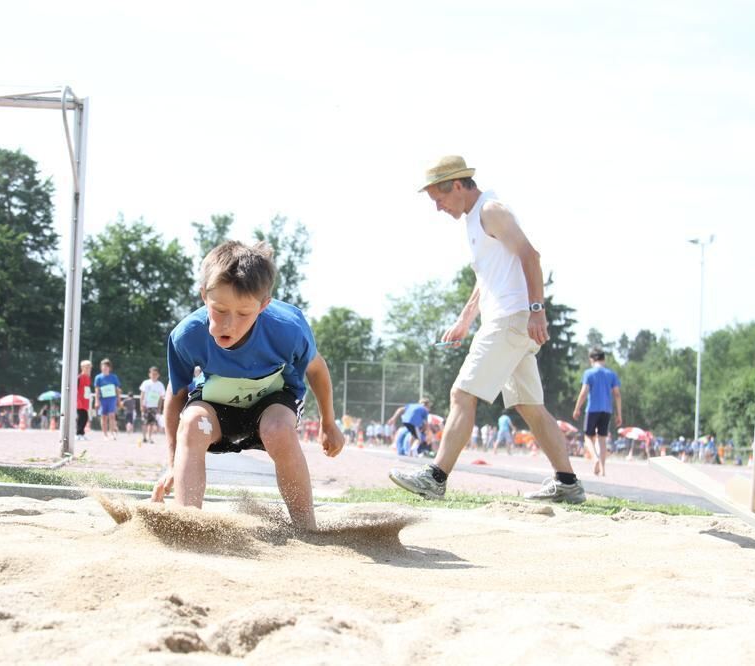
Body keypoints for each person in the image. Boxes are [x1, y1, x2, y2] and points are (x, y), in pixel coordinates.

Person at [389, 156, 585, 503]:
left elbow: (531, 255)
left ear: (459, 185)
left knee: (462, 395)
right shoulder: (474, 219)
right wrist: (465, 319)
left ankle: (435, 478)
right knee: (530, 407)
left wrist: (537, 310)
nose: (438, 207)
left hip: (510, 319)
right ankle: (567, 482)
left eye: (440, 198)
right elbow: (486, 278)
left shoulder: (490, 210)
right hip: (510, 321)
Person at [151, 240, 345, 529]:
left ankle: (307, 528)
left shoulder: (288, 329)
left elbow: (317, 369)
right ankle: (187, 525)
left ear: (263, 305)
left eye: (243, 314)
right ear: (204, 296)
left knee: (278, 430)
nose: (230, 323)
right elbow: (176, 392)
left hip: (274, 400)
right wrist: (171, 461)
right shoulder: (187, 334)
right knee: (193, 424)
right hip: (217, 403)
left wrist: (329, 423)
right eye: (219, 310)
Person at [572, 348, 622, 476]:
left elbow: (584, 392)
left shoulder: (589, 373)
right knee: (602, 440)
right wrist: (619, 414)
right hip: (607, 410)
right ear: (604, 359)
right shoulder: (611, 374)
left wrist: (577, 408)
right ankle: (603, 470)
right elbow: (617, 395)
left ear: (591, 360)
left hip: (593, 409)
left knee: (588, 436)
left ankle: (595, 459)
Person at [93, 359, 121, 440]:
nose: (105, 368)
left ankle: (112, 433)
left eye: (106, 367)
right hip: (102, 399)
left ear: (109, 368)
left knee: (112, 416)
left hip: (112, 398)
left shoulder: (114, 377)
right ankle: (105, 435)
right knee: (103, 417)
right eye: (103, 366)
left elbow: (117, 389)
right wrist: (97, 401)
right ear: (101, 367)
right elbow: (97, 390)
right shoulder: (98, 377)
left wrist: (118, 400)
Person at [139, 366, 165, 444]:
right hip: (146, 406)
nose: (154, 375)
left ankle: (150, 437)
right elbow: (142, 395)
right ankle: (144, 437)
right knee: (144, 422)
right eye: (152, 374)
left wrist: (159, 408)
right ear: (149, 374)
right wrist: (141, 405)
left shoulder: (160, 385)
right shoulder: (146, 383)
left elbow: (161, 398)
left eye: (155, 374)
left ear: (158, 375)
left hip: (154, 407)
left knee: (152, 423)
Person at [76, 360, 93, 440]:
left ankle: (81, 433)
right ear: (82, 368)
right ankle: (78, 434)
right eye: (86, 367)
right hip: (79, 401)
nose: (88, 369)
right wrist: (77, 400)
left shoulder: (88, 378)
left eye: (89, 368)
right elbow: (76, 389)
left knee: (85, 417)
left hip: (85, 401)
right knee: (82, 417)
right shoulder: (79, 377)